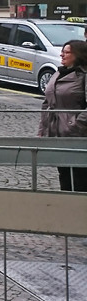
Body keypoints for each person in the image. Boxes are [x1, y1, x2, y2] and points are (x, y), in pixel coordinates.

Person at [38, 40, 87, 191]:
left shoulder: (83, 75)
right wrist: (42, 130)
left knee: (79, 176)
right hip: (57, 133)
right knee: (64, 173)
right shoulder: (59, 72)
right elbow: (47, 103)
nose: (62, 55)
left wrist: (75, 125)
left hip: (77, 135)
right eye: (62, 51)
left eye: (67, 52)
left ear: (78, 55)